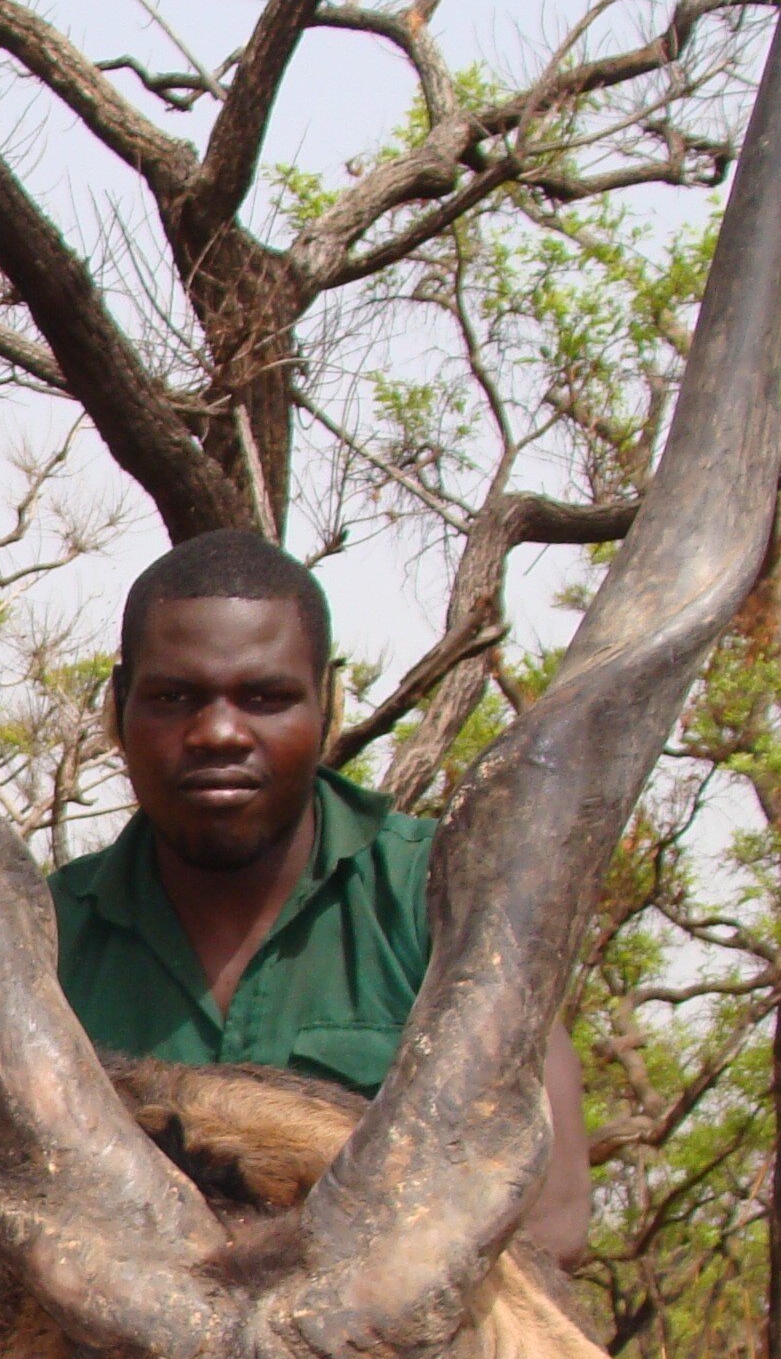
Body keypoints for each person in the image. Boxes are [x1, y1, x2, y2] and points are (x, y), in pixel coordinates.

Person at [51, 529, 592, 1266]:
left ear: (326, 703)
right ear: (120, 705)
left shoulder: (445, 895)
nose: (216, 733)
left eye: (266, 698)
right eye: (175, 698)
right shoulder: (39, 939)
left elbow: (553, 1222)